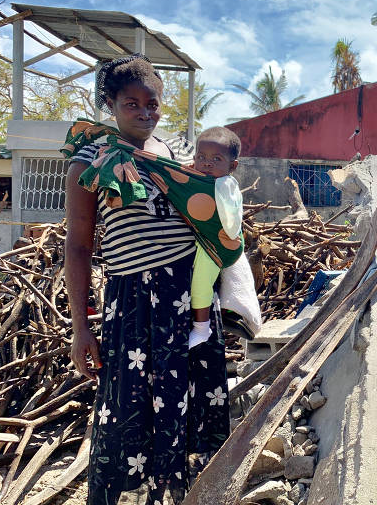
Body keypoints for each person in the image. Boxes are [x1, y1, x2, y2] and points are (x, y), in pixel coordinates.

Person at [65, 54, 229, 505]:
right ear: (111, 104)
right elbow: (78, 247)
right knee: (126, 410)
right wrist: (81, 327)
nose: (144, 112)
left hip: (187, 296)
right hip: (133, 299)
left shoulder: (176, 154)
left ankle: (179, 495)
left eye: (152, 103)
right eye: (131, 103)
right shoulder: (89, 162)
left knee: (186, 401)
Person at [187, 127, 243, 349]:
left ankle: (202, 328)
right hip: (207, 242)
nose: (207, 163)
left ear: (233, 166)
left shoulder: (225, 185)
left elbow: (231, 224)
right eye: (201, 157)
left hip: (215, 244)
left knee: (200, 284)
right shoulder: (207, 180)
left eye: (216, 159)